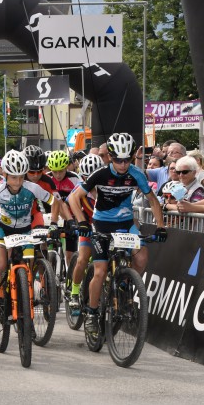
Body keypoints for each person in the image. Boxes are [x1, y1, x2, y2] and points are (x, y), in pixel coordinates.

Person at [69, 132, 167, 336]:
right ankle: (92, 314)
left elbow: (153, 200)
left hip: (125, 222)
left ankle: (123, 284)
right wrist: (81, 222)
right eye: (117, 160)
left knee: (142, 257)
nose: (122, 164)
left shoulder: (137, 174)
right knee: (100, 271)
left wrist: (160, 226)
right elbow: (73, 199)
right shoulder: (101, 174)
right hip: (102, 223)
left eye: (127, 159)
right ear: (110, 157)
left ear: (132, 157)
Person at [0, 150, 60, 321]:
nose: (18, 182)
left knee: (27, 265)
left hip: (25, 230)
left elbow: (54, 202)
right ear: (4, 174)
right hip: (2, 230)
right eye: (13, 177)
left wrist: (54, 224)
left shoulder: (32, 188)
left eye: (21, 177)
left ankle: (24, 305)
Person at [66, 153, 104, 316]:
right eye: (89, 177)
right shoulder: (80, 188)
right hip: (87, 225)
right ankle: (74, 293)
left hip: (104, 227)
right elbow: (67, 203)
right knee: (82, 259)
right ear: (83, 177)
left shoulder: (109, 186)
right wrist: (74, 222)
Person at [46, 150, 81, 264]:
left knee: (70, 255)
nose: (58, 175)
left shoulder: (75, 178)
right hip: (50, 214)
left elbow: (81, 199)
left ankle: (69, 276)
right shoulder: (47, 178)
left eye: (61, 171)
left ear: (66, 167)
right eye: (54, 172)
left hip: (70, 215)